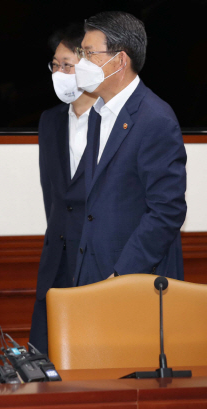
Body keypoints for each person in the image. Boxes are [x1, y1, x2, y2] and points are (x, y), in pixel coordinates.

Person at [72, 11, 186, 286]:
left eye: (89, 54)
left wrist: (122, 275)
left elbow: (166, 210)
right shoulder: (100, 113)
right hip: (92, 274)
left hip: (132, 282)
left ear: (120, 60)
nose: (81, 63)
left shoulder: (154, 119)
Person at [29, 25, 97, 355]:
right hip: (57, 261)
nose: (58, 73)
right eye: (54, 65)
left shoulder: (112, 119)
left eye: (66, 65)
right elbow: (51, 194)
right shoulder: (50, 120)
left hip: (100, 264)